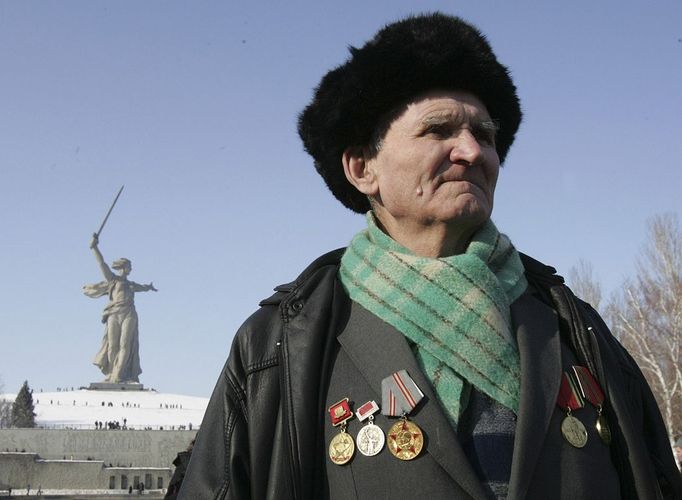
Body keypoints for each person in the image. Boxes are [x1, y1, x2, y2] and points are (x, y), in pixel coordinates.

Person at [177, 13, 682, 500]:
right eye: (439, 130)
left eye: (485, 135)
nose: (473, 151)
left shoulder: (575, 329)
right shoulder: (281, 346)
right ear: (361, 168)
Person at [83, 233, 157, 383]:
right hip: (114, 313)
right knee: (112, 345)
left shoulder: (131, 285)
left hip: (129, 313)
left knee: (125, 344)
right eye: (130, 266)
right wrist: (95, 248)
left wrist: (149, 287)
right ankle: (111, 373)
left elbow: (142, 287)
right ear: (124, 267)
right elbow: (102, 264)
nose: (131, 268)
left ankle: (119, 374)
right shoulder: (113, 280)